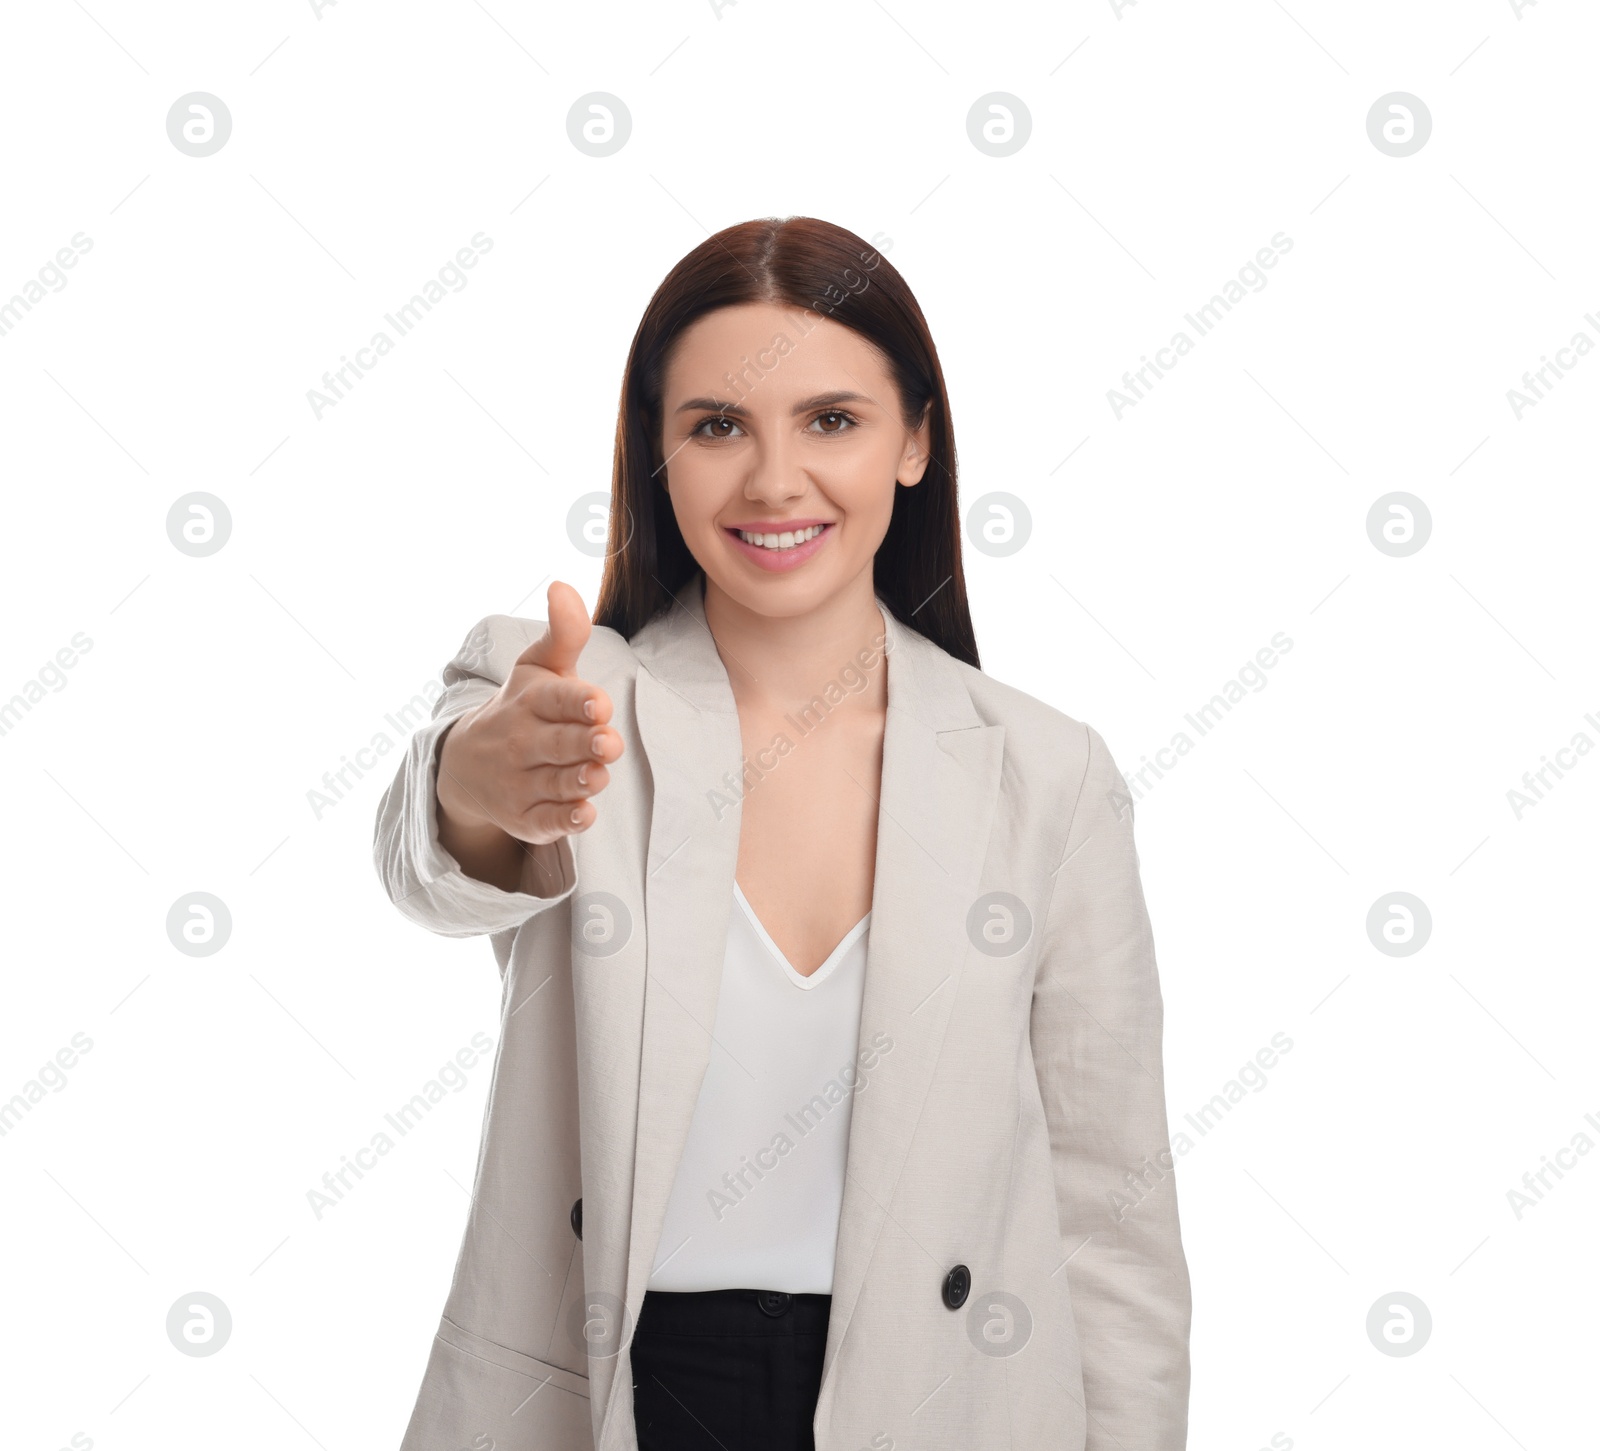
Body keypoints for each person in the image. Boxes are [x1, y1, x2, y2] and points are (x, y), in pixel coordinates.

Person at [373, 215, 1191, 1451]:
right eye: (715, 426)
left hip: (939, 1399)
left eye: (831, 420)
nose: (771, 480)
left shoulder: (1046, 774)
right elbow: (437, 859)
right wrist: (477, 783)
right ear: (656, 454)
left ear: (915, 439)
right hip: (618, 1395)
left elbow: (1108, 1213)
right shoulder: (568, 696)